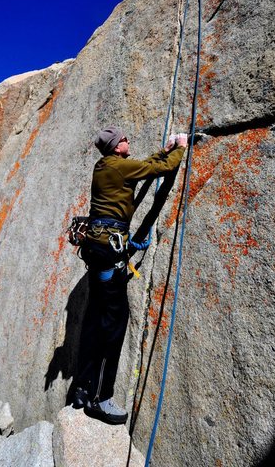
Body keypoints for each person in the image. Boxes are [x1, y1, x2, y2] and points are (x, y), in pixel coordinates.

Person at [73, 125, 187, 425]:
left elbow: (144, 165)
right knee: (115, 324)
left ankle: (81, 389)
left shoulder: (105, 166)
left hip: (98, 252)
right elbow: (155, 169)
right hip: (110, 253)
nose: (128, 141)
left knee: (95, 319)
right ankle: (101, 398)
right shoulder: (120, 167)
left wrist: (162, 152)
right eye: (124, 139)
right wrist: (180, 148)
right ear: (115, 146)